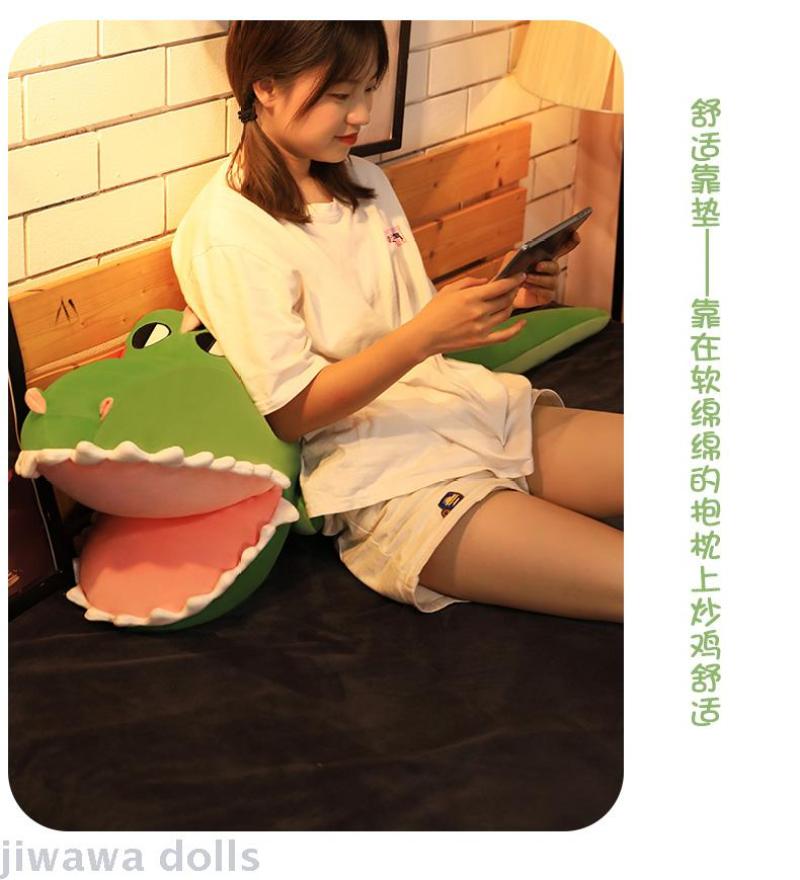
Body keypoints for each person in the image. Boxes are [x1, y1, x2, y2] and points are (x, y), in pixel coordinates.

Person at [171, 21, 623, 623]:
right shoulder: (229, 233)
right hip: (384, 477)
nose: (360, 114)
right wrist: (424, 336)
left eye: (368, 89)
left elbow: (400, 319)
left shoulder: (364, 182)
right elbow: (291, 412)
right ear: (265, 87)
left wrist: (497, 297)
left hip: (463, 408)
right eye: (340, 94)